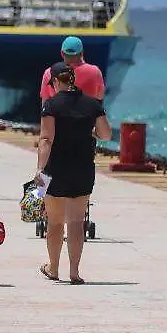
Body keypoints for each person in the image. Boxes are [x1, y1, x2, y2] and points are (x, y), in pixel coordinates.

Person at [36, 64, 111, 284]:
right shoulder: (92, 104)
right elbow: (106, 134)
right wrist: (90, 132)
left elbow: (46, 140)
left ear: (56, 82)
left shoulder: (51, 105)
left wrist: (39, 170)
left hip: (55, 169)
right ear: (72, 79)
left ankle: (54, 268)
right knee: (77, 222)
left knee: (55, 222)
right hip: (83, 169)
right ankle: (74, 272)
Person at [40, 36, 105, 103]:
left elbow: (45, 104)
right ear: (82, 53)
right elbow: (100, 98)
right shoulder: (95, 72)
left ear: (62, 53)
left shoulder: (49, 73)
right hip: (87, 113)